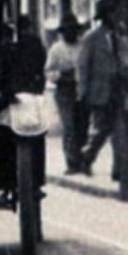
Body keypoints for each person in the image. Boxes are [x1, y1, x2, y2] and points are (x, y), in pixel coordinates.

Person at [76, 0, 128, 178]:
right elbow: (83, 66)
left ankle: (118, 168)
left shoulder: (121, 36)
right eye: (113, 12)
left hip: (120, 88)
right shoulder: (91, 38)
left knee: (121, 128)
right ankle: (87, 155)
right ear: (105, 15)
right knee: (101, 129)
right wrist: (83, 92)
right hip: (100, 90)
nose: (116, 16)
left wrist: (127, 70)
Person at [45, 13, 86, 174]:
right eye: (68, 31)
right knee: (69, 126)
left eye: (74, 30)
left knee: (82, 125)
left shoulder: (83, 46)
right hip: (64, 91)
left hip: (82, 89)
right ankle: (71, 161)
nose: (72, 33)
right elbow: (49, 70)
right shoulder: (56, 49)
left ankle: (82, 158)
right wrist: (60, 75)